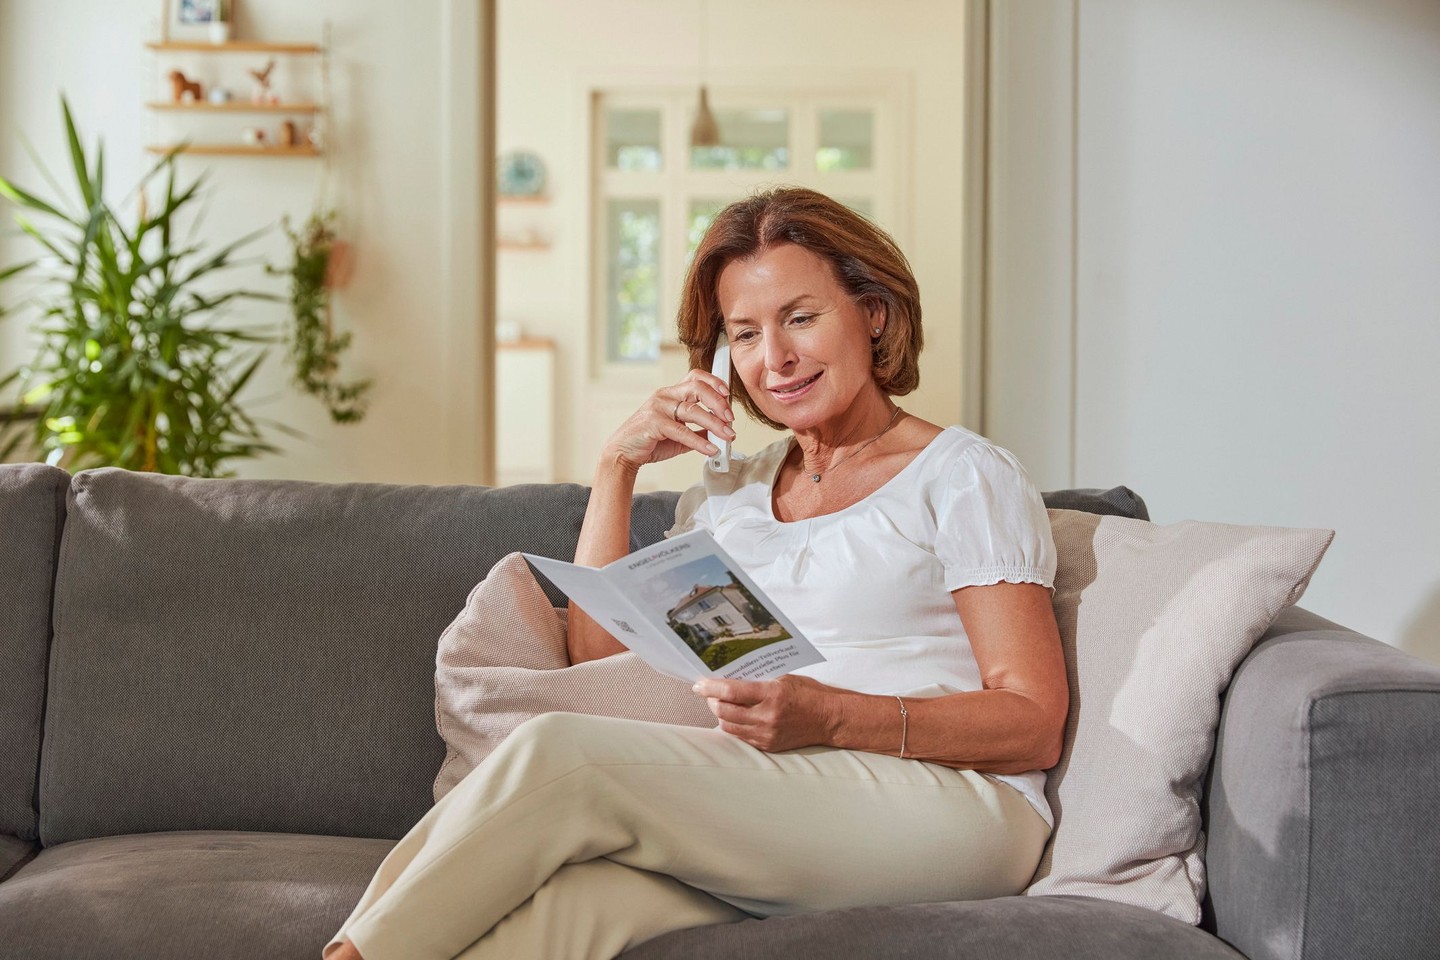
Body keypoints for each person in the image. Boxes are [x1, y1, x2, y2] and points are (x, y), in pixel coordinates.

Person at [324, 187, 1068, 960]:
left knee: (565, 754)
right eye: (745, 334)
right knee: (562, 912)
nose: (773, 360)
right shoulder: (731, 492)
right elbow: (599, 659)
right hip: (768, 800)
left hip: (951, 806)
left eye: (800, 318)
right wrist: (617, 467)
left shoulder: (963, 475)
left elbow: (1034, 721)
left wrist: (830, 716)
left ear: (873, 313)